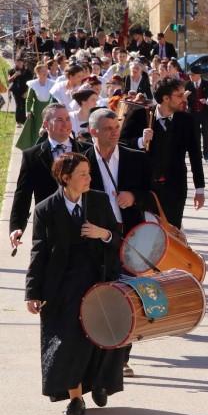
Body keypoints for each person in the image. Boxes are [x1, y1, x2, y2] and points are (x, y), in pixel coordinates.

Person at [25, 153, 125, 415]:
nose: (89, 178)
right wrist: (32, 293)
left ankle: (100, 383)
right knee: (68, 344)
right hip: (62, 289)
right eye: (83, 174)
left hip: (98, 283)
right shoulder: (46, 209)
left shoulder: (99, 201)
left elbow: (118, 239)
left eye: (89, 173)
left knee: (104, 339)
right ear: (66, 178)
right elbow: (39, 253)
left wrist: (102, 234)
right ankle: (76, 398)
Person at [85, 108, 153, 378]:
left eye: (117, 127)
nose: (114, 133)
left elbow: (153, 195)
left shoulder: (136, 158)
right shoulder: (83, 160)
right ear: (93, 132)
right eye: (108, 128)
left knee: (127, 296)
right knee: (97, 296)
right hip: (93, 237)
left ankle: (121, 357)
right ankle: (95, 353)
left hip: (128, 239)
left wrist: (134, 197)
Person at [120, 77, 205, 228]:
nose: (183, 99)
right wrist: (140, 141)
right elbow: (121, 143)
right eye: (179, 95)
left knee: (172, 231)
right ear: (166, 98)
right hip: (144, 188)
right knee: (146, 232)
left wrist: (200, 189)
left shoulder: (186, 120)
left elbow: (195, 154)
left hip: (175, 188)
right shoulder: (140, 116)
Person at [9, 104, 82, 251]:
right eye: (60, 119)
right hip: (49, 227)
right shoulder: (32, 156)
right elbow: (23, 194)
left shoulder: (85, 151)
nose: (66, 123)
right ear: (46, 124)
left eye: (68, 119)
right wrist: (17, 226)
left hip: (81, 225)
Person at [16, 63, 55, 150]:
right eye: (42, 71)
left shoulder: (52, 83)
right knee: (37, 130)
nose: (45, 73)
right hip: (37, 111)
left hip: (49, 111)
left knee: (48, 129)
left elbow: (54, 97)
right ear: (38, 73)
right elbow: (29, 99)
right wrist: (28, 111)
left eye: (46, 70)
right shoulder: (33, 84)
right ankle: (35, 148)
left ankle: (47, 148)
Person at [186, 65, 208, 160]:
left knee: (206, 133)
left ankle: (206, 153)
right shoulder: (188, 85)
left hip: (205, 113)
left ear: (199, 75)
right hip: (193, 113)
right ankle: (198, 152)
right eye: (190, 75)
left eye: (193, 75)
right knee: (196, 134)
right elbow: (186, 100)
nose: (190, 77)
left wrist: (206, 100)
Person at [8, 57, 33, 126]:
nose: (19, 63)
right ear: (15, 62)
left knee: (24, 105)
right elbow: (9, 81)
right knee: (18, 105)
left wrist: (27, 91)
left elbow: (31, 82)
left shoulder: (27, 71)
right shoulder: (12, 70)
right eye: (17, 62)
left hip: (25, 90)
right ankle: (18, 121)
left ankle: (24, 121)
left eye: (20, 62)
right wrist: (15, 75)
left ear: (23, 62)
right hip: (16, 91)